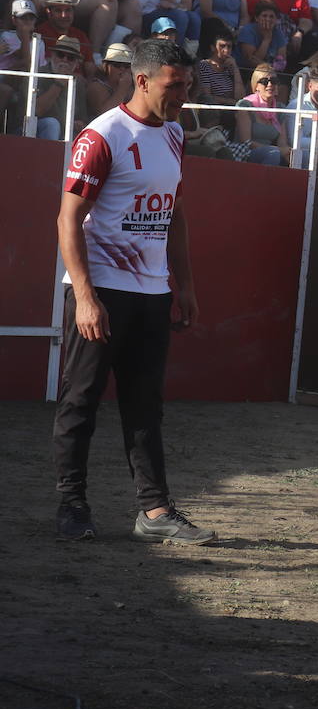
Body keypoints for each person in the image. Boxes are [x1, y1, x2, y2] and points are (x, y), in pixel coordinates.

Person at [52, 38, 216, 545]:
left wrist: (183, 285)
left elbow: (175, 215)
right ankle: (71, 505)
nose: (183, 96)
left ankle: (155, 510)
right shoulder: (103, 135)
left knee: (145, 404)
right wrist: (84, 296)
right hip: (101, 290)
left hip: (151, 293)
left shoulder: (173, 134)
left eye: (187, 85)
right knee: (80, 402)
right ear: (142, 81)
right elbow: (68, 218)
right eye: (175, 85)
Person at [235, 65, 290, 166]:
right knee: (273, 154)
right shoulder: (245, 105)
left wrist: (289, 152)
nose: (270, 84)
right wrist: (277, 149)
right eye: (264, 81)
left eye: (273, 81)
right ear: (256, 86)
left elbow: (282, 143)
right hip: (246, 153)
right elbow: (246, 141)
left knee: (298, 156)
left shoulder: (280, 109)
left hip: (272, 153)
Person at [34, 35, 87, 138]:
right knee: (51, 124)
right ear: (52, 56)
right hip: (28, 130)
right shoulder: (37, 74)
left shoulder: (78, 83)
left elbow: (82, 118)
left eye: (71, 58)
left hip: (64, 133)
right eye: (60, 55)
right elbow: (37, 111)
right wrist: (58, 84)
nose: (65, 60)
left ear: (77, 64)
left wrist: (79, 124)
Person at [37, 0, 95, 77]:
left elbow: (90, 66)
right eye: (58, 10)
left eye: (68, 10)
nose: (64, 15)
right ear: (49, 12)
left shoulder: (80, 35)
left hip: (79, 85)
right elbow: (47, 67)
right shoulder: (40, 33)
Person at [194, 31, 243, 105]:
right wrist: (230, 102)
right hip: (215, 108)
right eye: (222, 46)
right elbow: (206, 96)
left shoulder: (231, 67)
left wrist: (235, 68)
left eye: (229, 47)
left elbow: (240, 97)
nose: (226, 50)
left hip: (233, 108)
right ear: (213, 48)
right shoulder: (204, 65)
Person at [236, 0, 287, 71]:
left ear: (276, 19)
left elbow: (281, 62)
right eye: (264, 16)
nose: (268, 19)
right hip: (248, 73)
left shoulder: (278, 33)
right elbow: (251, 62)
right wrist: (266, 40)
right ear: (257, 18)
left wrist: (270, 67)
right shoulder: (247, 31)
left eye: (271, 16)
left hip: (272, 73)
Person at [86, 42, 133, 117]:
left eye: (127, 66)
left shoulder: (131, 88)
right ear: (106, 66)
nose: (122, 69)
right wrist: (122, 90)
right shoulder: (96, 86)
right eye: (117, 65)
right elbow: (106, 116)